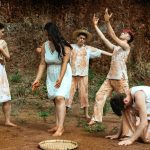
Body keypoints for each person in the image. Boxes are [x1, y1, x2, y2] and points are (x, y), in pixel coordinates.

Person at [88, 8, 134, 125]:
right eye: (123, 32)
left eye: (125, 33)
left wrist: (107, 22)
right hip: (110, 78)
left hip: (120, 79)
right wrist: (95, 26)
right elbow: (104, 38)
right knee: (99, 95)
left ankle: (135, 121)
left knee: (126, 102)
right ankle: (96, 118)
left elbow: (112, 35)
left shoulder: (126, 47)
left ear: (128, 38)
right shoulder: (116, 48)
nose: (123, 33)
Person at [32, 22, 72, 136]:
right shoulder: (45, 45)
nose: (48, 37)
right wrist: (37, 79)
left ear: (54, 33)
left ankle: (61, 128)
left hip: (63, 73)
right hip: (51, 74)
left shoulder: (65, 46)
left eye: (49, 34)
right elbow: (42, 64)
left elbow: (65, 63)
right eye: (46, 35)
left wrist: (60, 77)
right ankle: (57, 124)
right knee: (55, 99)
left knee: (60, 98)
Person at [65, 28, 112, 119]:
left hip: (83, 75)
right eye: (80, 38)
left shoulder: (88, 49)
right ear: (77, 38)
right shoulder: (71, 47)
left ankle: (86, 114)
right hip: (71, 75)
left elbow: (100, 51)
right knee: (68, 93)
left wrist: (112, 54)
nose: (82, 39)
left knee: (84, 94)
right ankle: (65, 111)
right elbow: (60, 49)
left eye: (84, 38)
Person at [0, 23, 17, 127]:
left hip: (0, 70)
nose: (3, 34)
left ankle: (7, 120)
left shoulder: (3, 43)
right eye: (2, 32)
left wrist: (1, 50)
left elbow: (8, 58)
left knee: (6, 95)